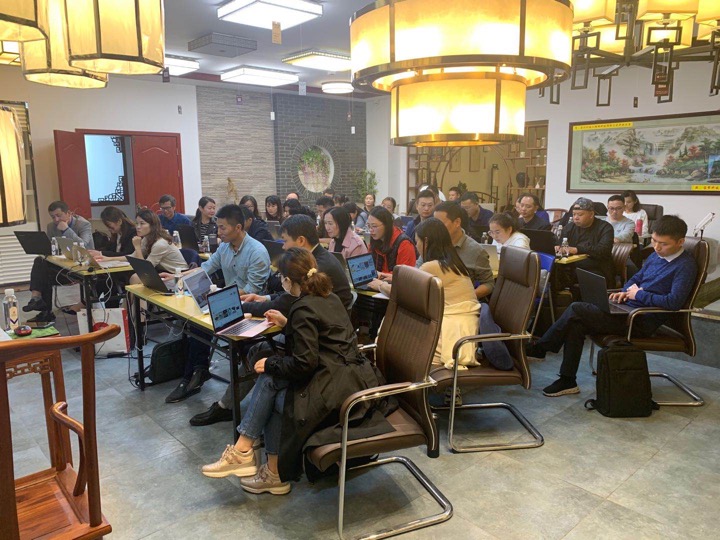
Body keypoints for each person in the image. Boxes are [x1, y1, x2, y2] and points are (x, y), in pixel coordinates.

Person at [201, 248, 393, 494]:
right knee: (272, 385)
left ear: (289, 281)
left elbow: (304, 364)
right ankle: (269, 471)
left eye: (282, 279)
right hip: (352, 381)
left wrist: (270, 363)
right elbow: (320, 340)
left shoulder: (303, 308)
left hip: (336, 396)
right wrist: (287, 324)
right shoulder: (330, 298)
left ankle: (245, 452)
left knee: (270, 379)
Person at [190, 215, 353, 426]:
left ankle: (231, 412)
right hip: (320, 335)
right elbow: (288, 297)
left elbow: (287, 303)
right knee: (258, 352)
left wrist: (238, 307)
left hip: (324, 347)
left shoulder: (316, 267)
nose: (283, 247)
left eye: (285, 241)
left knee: (262, 356)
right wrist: (264, 298)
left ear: (301, 240)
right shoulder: (314, 262)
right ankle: (229, 408)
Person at [527, 215, 698, 397]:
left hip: (640, 320)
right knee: (576, 323)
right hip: (628, 309)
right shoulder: (657, 256)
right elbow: (636, 278)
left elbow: (673, 302)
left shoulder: (685, 266)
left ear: (680, 242)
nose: (656, 247)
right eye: (654, 241)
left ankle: (541, 348)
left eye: (663, 244)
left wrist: (639, 295)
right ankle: (567, 380)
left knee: (577, 309)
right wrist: (625, 291)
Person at [164, 204, 271, 403]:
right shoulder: (224, 247)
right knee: (194, 320)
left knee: (201, 323)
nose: (218, 232)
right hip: (228, 302)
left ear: (238, 227)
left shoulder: (257, 251)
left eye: (222, 227)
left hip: (250, 308)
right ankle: (196, 372)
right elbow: (206, 267)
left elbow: (252, 291)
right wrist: (177, 276)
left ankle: (194, 374)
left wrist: (220, 296)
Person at [368, 218, 480, 369]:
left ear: (426, 241)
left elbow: (403, 292)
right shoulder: (451, 262)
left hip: (451, 333)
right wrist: (392, 278)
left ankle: (383, 373)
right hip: (460, 328)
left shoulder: (432, 266)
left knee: (391, 331)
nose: (416, 246)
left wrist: (380, 285)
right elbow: (414, 282)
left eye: (417, 242)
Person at [23, 201, 95, 322]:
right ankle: (36, 298)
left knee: (43, 273)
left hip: (82, 267)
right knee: (40, 262)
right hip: (64, 265)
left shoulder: (83, 224)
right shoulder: (51, 227)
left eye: (59, 215)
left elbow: (83, 245)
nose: (56, 220)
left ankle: (43, 309)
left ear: (68, 213)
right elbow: (51, 249)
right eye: (53, 217)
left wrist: (66, 229)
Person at [433, 202, 495, 299]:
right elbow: (419, 270)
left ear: (457, 222)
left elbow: (489, 284)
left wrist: (466, 296)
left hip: (460, 302)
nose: (436, 228)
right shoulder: (433, 243)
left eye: (440, 224)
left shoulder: (475, 250)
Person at [559, 197, 615, 286]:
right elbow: (561, 245)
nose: (576, 218)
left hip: (597, 268)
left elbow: (603, 250)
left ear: (591, 214)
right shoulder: (569, 227)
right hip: (571, 266)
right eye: (574, 214)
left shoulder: (605, 227)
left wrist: (577, 249)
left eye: (580, 215)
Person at [126, 209, 188, 282]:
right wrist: (113, 259)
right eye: (136, 223)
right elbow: (133, 256)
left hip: (177, 275)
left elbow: (144, 270)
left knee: (136, 278)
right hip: (163, 271)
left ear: (152, 225)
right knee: (134, 277)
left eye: (142, 223)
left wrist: (137, 247)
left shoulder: (160, 243)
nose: (138, 227)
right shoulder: (147, 238)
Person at [367, 206, 416, 276]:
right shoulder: (375, 239)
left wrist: (380, 275)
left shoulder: (404, 244)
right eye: (368, 226)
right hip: (377, 280)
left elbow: (405, 275)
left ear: (387, 225)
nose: (371, 230)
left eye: (374, 226)